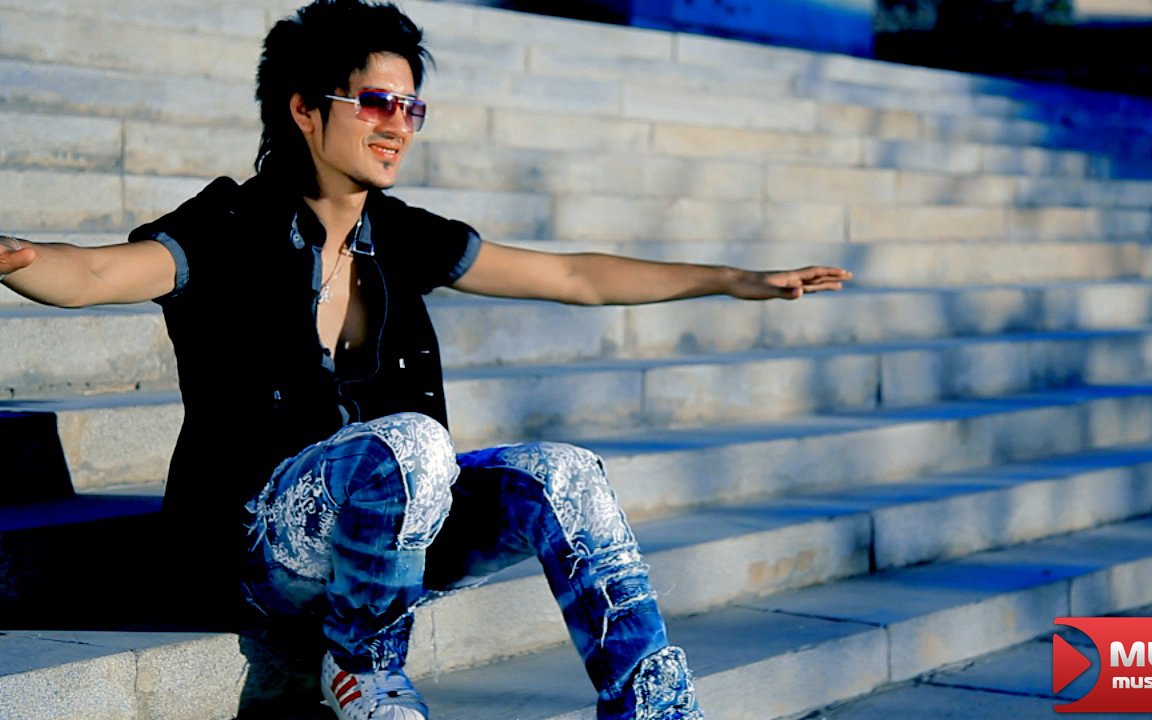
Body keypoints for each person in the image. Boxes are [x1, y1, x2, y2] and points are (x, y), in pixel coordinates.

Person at [0, 1, 851, 717]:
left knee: (563, 474)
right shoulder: (230, 228)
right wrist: (22, 260)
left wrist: (732, 280)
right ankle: (365, 672)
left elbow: (572, 276)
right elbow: (97, 273)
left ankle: (653, 706)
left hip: (395, 532)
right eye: (376, 103)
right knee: (410, 442)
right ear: (305, 110)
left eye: (412, 109)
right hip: (256, 549)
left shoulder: (400, 234)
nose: (397, 127)